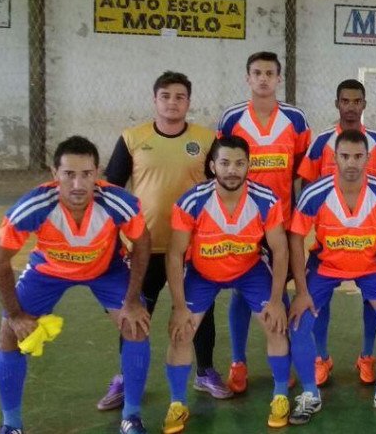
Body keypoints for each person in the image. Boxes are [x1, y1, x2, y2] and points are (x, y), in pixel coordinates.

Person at [0, 136, 152, 434]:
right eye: (69, 174)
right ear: (55, 175)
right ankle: (11, 424)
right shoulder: (32, 206)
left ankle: (132, 417)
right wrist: (14, 315)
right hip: (49, 270)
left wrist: (131, 301)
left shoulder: (119, 202)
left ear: (97, 172)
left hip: (107, 268)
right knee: (8, 336)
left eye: (86, 174)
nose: (78, 184)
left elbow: (142, 244)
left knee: (136, 325)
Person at [102, 71, 230, 408]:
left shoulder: (206, 139)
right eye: (165, 96)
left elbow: (221, 185)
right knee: (135, 313)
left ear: (189, 101)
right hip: (144, 246)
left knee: (198, 312)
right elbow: (112, 188)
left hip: (192, 247)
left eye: (180, 97)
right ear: (154, 99)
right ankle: (127, 378)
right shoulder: (132, 138)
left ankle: (205, 372)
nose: (172, 103)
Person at [162, 136, 292, 432]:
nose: (232, 170)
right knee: (181, 333)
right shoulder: (192, 202)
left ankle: (281, 394)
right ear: (212, 166)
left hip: (249, 270)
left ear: (249, 166)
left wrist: (275, 300)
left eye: (239, 163)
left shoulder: (266, 199)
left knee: (275, 324)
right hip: (203, 273)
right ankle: (177, 404)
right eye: (224, 163)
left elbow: (280, 249)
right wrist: (180, 306)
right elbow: (174, 254)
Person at [287, 129, 376, 424]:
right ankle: (309, 393)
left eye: (358, 156)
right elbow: (295, 238)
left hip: (371, 268)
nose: (352, 163)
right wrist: (301, 291)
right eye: (345, 156)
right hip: (325, 267)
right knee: (299, 323)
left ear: (368, 158)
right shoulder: (315, 193)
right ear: (334, 158)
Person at [216, 51, 311, 394]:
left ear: (278, 78)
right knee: (242, 291)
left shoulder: (296, 119)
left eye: (270, 73)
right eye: (257, 72)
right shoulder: (231, 119)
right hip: (240, 224)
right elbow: (220, 165)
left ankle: (281, 364)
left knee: (277, 292)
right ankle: (238, 362)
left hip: (281, 222)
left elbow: (302, 167)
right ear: (247, 77)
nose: (263, 79)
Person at [297, 78, 376, 386]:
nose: (351, 106)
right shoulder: (321, 142)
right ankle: (321, 357)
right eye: (345, 101)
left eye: (357, 101)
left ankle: (367, 356)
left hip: (368, 242)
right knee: (318, 302)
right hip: (329, 243)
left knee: (373, 300)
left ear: (364, 105)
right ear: (337, 104)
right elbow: (305, 183)